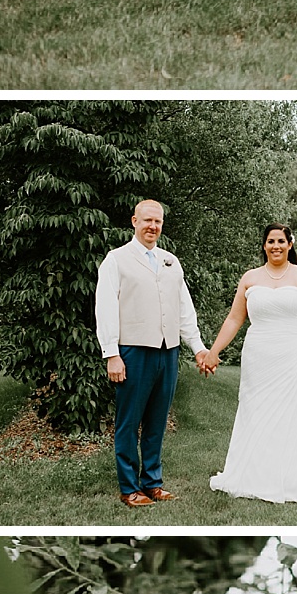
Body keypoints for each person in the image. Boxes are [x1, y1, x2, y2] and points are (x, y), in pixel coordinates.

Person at [94, 197, 215, 508]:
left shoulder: (171, 261)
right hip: (132, 351)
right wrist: (112, 353)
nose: (153, 226)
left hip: (168, 352)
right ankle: (129, 487)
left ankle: (152, 483)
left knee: (157, 422)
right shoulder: (116, 259)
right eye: (147, 220)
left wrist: (198, 347)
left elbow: (184, 308)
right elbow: (105, 308)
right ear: (134, 221)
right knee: (128, 421)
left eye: (158, 221)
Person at [205, 225, 297, 505]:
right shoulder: (250, 278)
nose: (276, 245)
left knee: (294, 414)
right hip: (259, 354)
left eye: (281, 241)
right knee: (257, 412)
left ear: (290, 244)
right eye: (270, 241)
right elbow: (234, 319)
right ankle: (255, 476)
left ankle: (293, 479)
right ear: (264, 245)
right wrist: (214, 351)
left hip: (295, 353)